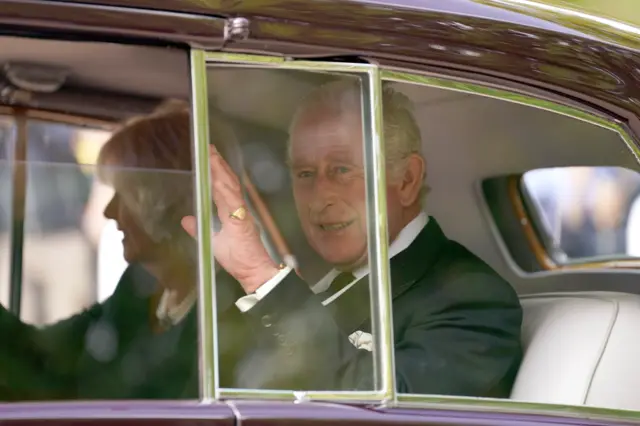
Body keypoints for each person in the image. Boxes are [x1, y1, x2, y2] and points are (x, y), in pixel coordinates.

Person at [182, 79, 523, 396]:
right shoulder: (322, 288)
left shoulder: (472, 299)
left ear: (405, 180)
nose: (319, 197)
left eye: (342, 170)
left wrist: (259, 273)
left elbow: (388, 413)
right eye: (304, 174)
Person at [0, 100, 247, 400]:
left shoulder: (222, 315)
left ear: (163, 198)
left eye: (123, 194)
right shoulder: (139, 285)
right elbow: (50, 354)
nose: (108, 211)